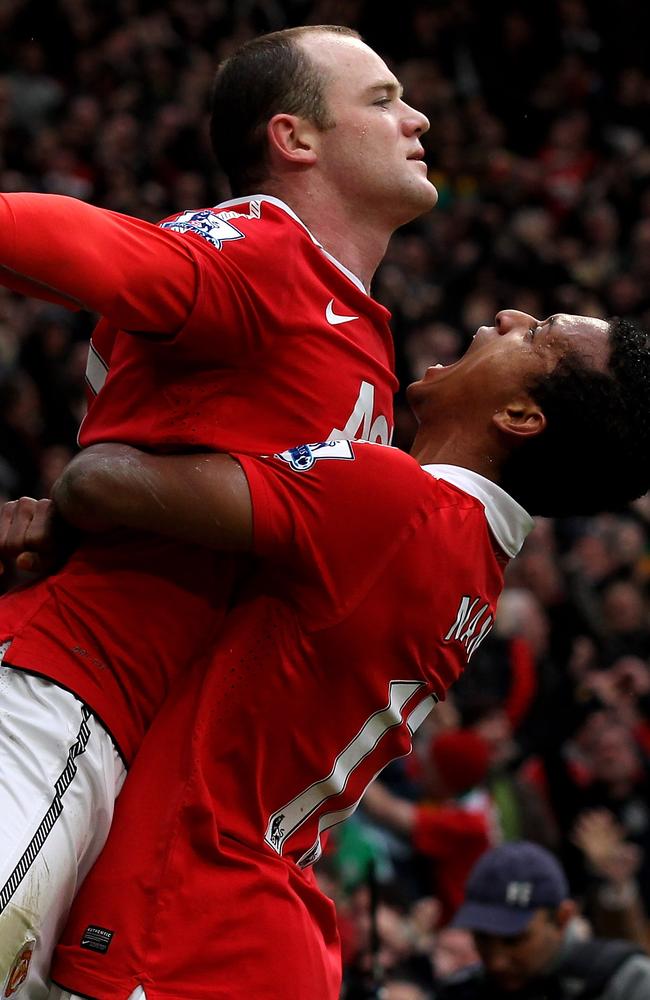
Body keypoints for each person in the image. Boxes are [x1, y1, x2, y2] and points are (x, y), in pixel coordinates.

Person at [29, 309, 647, 998]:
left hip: (178, 921)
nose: (508, 317)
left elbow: (96, 484)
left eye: (535, 336)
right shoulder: (475, 559)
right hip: (256, 924)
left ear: (519, 415)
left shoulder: (396, 501)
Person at [0, 24, 438, 996]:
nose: (415, 118)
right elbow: (104, 256)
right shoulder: (269, 248)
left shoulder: (359, 336)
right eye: (380, 98)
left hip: (125, 750)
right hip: (67, 692)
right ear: (295, 137)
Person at [438, 841, 650, 999]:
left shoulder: (626, 982)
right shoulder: (461, 992)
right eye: (482, 938)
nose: (496, 962)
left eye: (514, 940)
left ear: (562, 918)